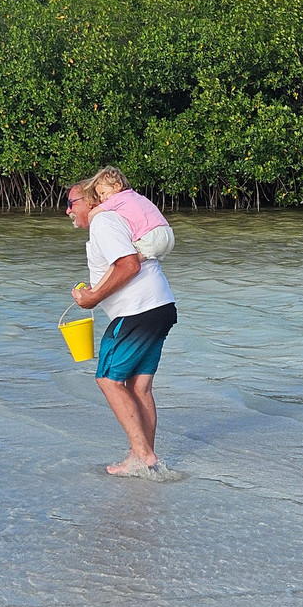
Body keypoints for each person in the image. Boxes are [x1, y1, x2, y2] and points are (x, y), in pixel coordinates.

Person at [66, 169, 177, 476]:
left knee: (107, 378)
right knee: (139, 387)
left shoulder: (103, 222)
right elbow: (127, 262)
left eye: (71, 202)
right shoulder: (111, 220)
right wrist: (95, 291)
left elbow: (128, 265)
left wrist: (93, 297)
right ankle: (142, 457)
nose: (68, 210)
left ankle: (143, 455)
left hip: (138, 310)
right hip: (160, 306)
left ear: (89, 200)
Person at [88, 165, 175, 262]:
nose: (101, 198)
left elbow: (92, 214)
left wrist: (93, 230)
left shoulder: (116, 198)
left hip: (151, 237)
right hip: (168, 234)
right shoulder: (134, 195)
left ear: (117, 186)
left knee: (126, 264)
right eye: (99, 196)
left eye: (103, 193)